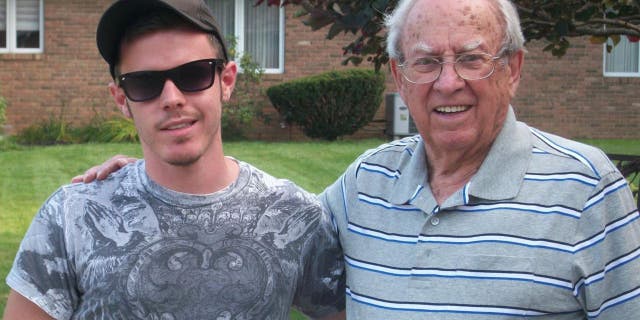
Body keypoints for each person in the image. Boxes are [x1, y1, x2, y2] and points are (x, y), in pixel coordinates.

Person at [69, 0, 640, 319]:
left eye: (471, 59)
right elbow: (266, 228)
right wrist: (149, 179)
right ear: (398, 76)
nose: (447, 83)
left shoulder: (586, 191)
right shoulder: (367, 183)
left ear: (512, 69)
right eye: (424, 62)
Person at [3, 1, 345, 319]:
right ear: (122, 100)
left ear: (226, 82)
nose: (171, 98)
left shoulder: (294, 216)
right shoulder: (71, 216)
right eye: (144, 82)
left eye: (193, 74)